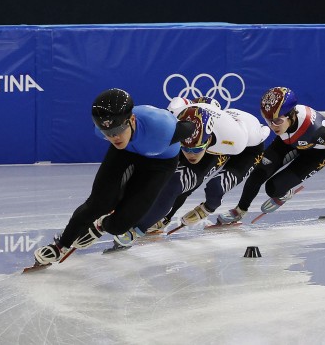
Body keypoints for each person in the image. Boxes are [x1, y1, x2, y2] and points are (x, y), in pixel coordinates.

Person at [31, 88, 195, 266]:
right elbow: (112, 136)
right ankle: (60, 246)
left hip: (160, 164)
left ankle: (101, 225)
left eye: (118, 129)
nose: (114, 136)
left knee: (120, 225)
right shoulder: (102, 130)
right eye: (107, 133)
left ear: (132, 120)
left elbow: (191, 126)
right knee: (99, 203)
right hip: (125, 153)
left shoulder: (162, 128)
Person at [112, 96, 270, 247]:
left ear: (208, 139)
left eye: (195, 149)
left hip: (248, 149)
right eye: (186, 148)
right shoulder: (174, 114)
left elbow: (265, 131)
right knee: (165, 174)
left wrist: (206, 208)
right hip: (206, 138)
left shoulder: (235, 139)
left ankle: (140, 229)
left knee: (212, 186)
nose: (190, 155)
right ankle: (163, 216)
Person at [218, 87, 325, 224]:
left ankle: (284, 194)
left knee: (273, 188)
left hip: (316, 154)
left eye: (277, 121)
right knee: (258, 172)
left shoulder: (313, 127)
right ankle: (240, 211)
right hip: (289, 141)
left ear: (291, 115)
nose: (273, 126)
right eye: (268, 121)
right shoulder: (284, 122)